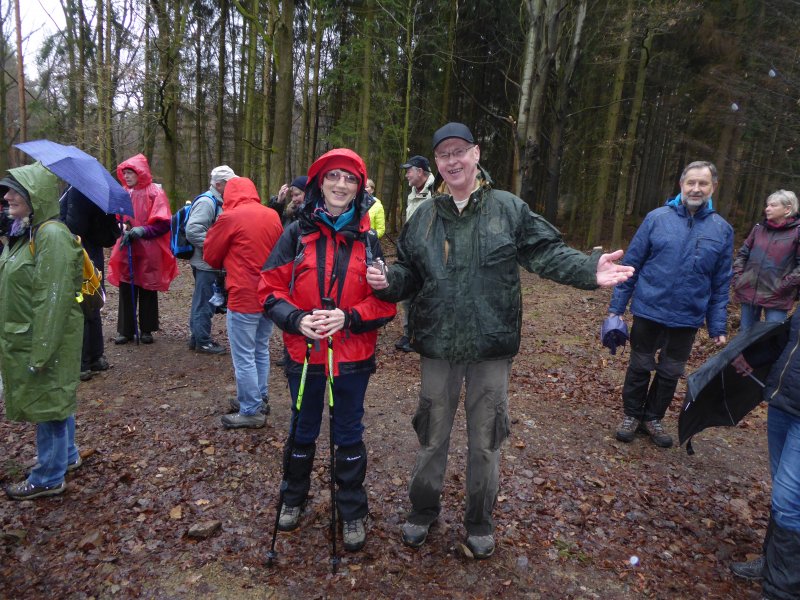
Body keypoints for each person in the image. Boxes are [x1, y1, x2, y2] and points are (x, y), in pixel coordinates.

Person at [365, 122, 634, 559]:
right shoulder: (424, 217)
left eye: (459, 152)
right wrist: (385, 280)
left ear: (476, 154)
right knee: (432, 434)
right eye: (443, 155)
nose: (452, 161)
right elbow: (408, 274)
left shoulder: (508, 209)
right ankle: (423, 510)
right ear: (436, 164)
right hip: (437, 345)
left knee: (485, 439)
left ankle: (479, 521)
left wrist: (589, 270)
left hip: (491, 347)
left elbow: (545, 251)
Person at [259, 148, 396, 552]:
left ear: (359, 187)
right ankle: (293, 498)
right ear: (320, 182)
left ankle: (352, 511)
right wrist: (297, 318)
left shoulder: (369, 241)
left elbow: (386, 304)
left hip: (352, 358)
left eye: (350, 178)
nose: (341, 184)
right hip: (304, 355)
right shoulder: (295, 233)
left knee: (348, 434)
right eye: (333, 176)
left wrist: (348, 317)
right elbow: (267, 290)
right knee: (302, 430)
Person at [610, 160, 734, 448]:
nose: (696, 188)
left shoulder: (722, 230)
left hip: (687, 316)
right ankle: (631, 415)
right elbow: (631, 265)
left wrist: (717, 325)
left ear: (712, 187)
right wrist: (616, 309)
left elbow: (720, 282)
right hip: (649, 308)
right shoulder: (657, 218)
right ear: (681, 185)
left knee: (670, 372)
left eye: (703, 183)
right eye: (691, 182)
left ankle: (653, 417)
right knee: (640, 365)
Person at [0, 163, 85, 500]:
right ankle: (66, 455)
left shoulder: (51, 235)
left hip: (43, 338)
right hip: (27, 334)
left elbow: (54, 298)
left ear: (35, 195)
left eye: (14, 190)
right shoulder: (28, 232)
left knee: (47, 398)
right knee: (55, 397)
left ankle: (48, 475)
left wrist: (42, 352)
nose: (6, 196)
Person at [729, 311, 800, 599]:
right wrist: (752, 357)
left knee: (788, 499)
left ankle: (780, 591)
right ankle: (772, 564)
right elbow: (788, 337)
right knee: (784, 495)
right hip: (784, 402)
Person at [204, 177, 283, 428]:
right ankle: (259, 398)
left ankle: (251, 409)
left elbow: (211, 256)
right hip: (270, 294)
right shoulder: (271, 215)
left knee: (244, 355)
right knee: (260, 348)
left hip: (244, 295)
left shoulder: (230, 217)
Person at [107, 154, 178, 344]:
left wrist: (143, 230)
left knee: (147, 287)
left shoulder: (155, 193)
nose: (127, 176)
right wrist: (120, 229)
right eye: (125, 173)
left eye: (131, 172)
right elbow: (114, 218)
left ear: (140, 173)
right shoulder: (122, 192)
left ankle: (147, 329)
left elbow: (164, 224)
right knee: (126, 285)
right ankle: (126, 330)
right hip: (125, 246)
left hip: (149, 248)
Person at [60, 187, 114, 380]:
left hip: (82, 257)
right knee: (93, 302)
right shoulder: (94, 190)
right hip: (93, 255)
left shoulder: (77, 191)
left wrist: (57, 221)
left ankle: (82, 362)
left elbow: (74, 227)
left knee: (80, 305)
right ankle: (96, 357)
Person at [732, 189, 800, 331]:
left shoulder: (797, 232)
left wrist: (783, 286)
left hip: (777, 296)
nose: (767, 209)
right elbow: (742, 255)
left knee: (771, 337)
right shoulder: (758, 229)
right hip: (749, 291)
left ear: (787, 208)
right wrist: (739, 278)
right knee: (745, 337)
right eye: (767, 205)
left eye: (773, 205)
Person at [186, 165, 236, 354]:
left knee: (204, 301)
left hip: (209, 262)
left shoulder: (219, 201)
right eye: (229, 183)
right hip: (205, 263)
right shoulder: (208, 202)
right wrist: (214, 248)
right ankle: (203, 341)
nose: (232, 186)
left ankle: (197, 338)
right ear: (218, 184)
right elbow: (193, 231)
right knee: (204, 303)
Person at [395, 155, 435, 352]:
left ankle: (421, 335)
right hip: (410, 255)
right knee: (407, 295)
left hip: (429, 256)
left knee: (426, 296)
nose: (406, 175)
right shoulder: (412, 194)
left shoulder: (437, 193)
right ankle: (407, 334)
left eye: (409, 170)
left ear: (420, 171)